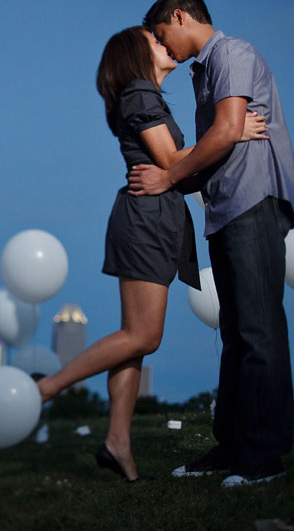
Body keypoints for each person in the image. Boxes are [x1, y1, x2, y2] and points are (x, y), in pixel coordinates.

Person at [35, 25, 266, 482]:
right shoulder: (139, 92)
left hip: (151, 218)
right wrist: (232, 132)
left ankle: (117, 442)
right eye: (152, 39)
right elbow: (169, 162)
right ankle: (48, 387)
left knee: (135, 336)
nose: (163, 42)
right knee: (144, 336)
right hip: (145, 219)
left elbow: (174, 163)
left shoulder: (144, 96)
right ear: (133, 55)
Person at [129, 0, 294, 487]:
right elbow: (219, 140)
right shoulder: (206, 72)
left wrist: (169, 177)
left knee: (259, 330)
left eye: (163, 36)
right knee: (236, 334)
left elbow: (226, 132)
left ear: (179, 16)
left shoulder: (232, 53)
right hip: (225, 209)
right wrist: (212, 144)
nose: (166, 49)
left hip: (253, 202)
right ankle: (232, 447)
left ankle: (265, 456)